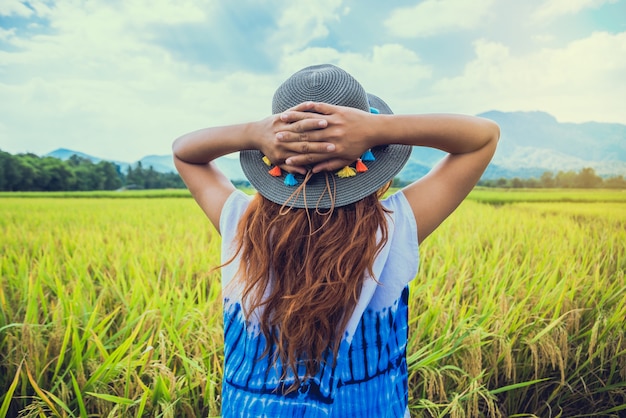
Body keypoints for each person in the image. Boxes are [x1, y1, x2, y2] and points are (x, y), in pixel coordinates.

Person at [172, 64, 499, 417]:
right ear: (371, 164)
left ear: (271, 160)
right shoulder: (392, 229)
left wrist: (256, 132)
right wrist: (377, 128)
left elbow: (183, 151)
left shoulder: (241, 224)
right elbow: (483, 137)